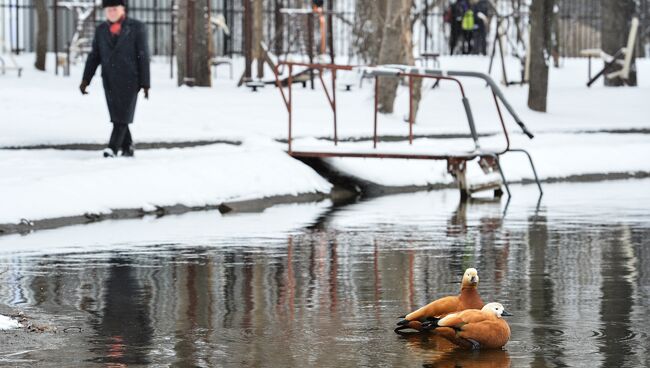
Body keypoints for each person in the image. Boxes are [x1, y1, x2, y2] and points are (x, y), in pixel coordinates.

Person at [80, 0, 150, 158]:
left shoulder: (137, 28)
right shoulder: (101, 30)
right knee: (118, 115)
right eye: (108, 9)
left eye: (114, 9)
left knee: (122, 115)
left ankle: (112, 147)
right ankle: (128, 146)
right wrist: (86, 80)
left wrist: (145, 83)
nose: (111, 12)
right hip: (110, 81)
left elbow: (143, 56)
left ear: (122, 9)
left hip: (131, 81)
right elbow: (94, 57)